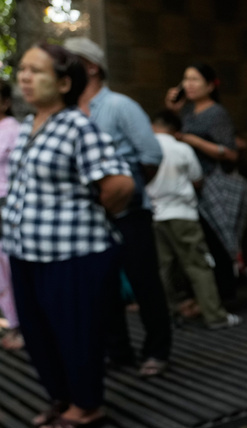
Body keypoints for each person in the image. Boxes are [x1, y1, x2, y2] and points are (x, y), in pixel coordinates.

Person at [2, 44, 133, 428]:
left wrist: (84, 219)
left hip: (73, 254)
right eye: (22, 70)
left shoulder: (79, 126)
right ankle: (63, 398)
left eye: (36, 71)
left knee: (74, 332)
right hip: (27, 252)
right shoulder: (28, 125)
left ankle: (87, 406)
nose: (25, 77)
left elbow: (119, 185)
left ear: (63, 82)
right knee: (39, 335)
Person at [64, 37, 172, 378]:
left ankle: (157, 351)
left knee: (144, 281)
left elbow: (151, 155)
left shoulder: (120, 106)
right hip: (90, 217)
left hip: (129, 212)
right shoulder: (67, 112)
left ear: (91, 67)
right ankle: (118, 352)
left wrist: (128, 190)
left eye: (70, 61)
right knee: (102, 284)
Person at [164, 63, 247, 302]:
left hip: (213, 186)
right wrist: (173, 110)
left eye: (194, 79)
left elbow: (232, 153)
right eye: (185, 79)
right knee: (201, 246)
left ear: (210, 85)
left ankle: (224, 299)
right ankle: (203, 298)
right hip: (193, 187)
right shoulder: (188, 112)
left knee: (219, 245)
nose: (188, 85)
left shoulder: (216, 113)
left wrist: (192, 140)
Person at [148, 109, 240, 330]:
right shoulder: (181, 148)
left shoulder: (146, 148)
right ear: (175, 130)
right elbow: (197, 179)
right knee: (198, 265)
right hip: (183, 215)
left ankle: (169, 314)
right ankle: (215, 316)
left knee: (163, 268)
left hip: (155, 214)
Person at [0, 80, 23, 351]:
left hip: (8, 203)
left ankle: (23, 324)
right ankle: (14, 322)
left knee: (10, 262)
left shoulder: (14, 130)